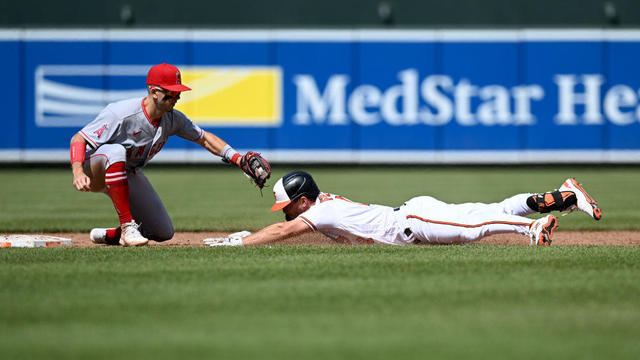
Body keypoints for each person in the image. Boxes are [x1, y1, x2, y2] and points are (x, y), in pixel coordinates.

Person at [70, 63, 270, 247]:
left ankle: (107, 235)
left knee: (162, 231)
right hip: (95, 169)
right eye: (171, 93)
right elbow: (78, 139)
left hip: (127, 173)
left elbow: (204, 138)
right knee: (116, 151)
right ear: (154, 91)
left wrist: (238, 159)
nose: (176, 98)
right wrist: (79, 172)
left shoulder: (172, 119)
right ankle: (126, 227)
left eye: (178, 93)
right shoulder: (121, 113)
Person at [204, 171, 601, 247]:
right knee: (491, 208)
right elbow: (278, 229)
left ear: (303, 200)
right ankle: (564, 195)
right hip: (413, 214)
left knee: (475, 226)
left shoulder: (318, 213)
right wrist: (246, 235)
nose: (285, 213)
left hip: (412, 222)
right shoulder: (321, 206)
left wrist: (242, 244)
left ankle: (530, 230)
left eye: (287, 206)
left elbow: (281, 233)